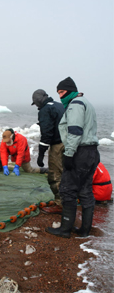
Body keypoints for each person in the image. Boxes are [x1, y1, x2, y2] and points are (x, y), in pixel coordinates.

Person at [46, 77, 100, 238]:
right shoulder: (86, 102)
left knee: (67, 190)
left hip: (80, 152)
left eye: (62, 92)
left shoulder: (75, 105)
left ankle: (64, 229)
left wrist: (69, 154)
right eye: (58, 93)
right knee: (85, 190)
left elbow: (75, 130)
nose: (60, 96)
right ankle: (85, 230)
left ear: (71, 90)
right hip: (92, 152)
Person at [31, 89, 65, 199]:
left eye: (35, 103)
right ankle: (73, 198)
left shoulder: (45, 110)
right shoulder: (60, 105)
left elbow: (47, 134)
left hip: (57, 145)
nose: (36, 106)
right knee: (67, 172)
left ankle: (61, 202)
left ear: (38, 100)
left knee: (54, 175)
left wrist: (40, 155)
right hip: (70, 144)